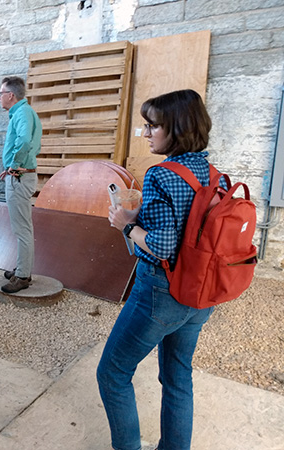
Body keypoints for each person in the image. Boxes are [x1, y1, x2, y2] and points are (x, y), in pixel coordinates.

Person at [98, 89, 218, 450]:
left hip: (161, 294)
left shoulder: (161, 175)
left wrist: (125, 223)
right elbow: (187, 228)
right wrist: (142, 217)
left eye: (153, 126)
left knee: (113, 373)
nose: (146, 133)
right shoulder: (214, 174)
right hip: (201, 292)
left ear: (177, 128)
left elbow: (164, 246)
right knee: (178, 377)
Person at [0, 76, 42, 294]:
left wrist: (14, 165)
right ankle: (23, 269)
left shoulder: (22, 113)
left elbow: (24, 142)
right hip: (20, 175)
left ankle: (23, 276)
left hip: (20, 177)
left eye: (0, 93)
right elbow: (33, 145)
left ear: (10, 95)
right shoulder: (25, 112)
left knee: (21, 229)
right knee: (23, 227)